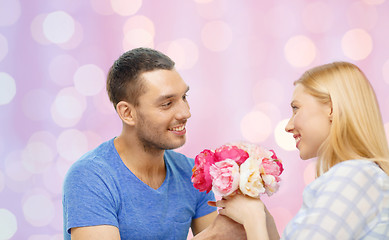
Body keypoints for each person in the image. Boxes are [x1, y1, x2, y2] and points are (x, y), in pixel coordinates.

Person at [214, 62, 389, 239]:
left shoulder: (354, 176)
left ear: (331, 108)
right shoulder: (358, 178)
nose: (288, 126)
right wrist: (264, 218)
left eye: (296, 109)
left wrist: (253, 218)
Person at [62, 47, 217, 239]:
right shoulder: (91, 177)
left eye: (184, 97)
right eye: (167, 104)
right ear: (127, 113)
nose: (185, 113)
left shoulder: (192, 172)